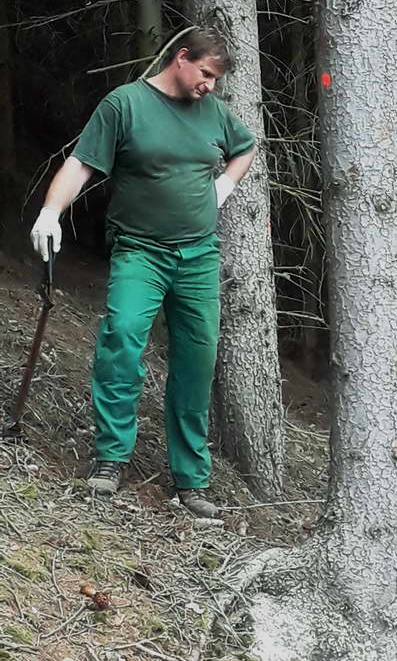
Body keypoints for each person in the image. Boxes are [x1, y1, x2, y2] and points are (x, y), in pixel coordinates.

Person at [29, 27, 257, 517]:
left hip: (198, 256)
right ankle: (110, 458)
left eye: (216, 79)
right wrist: (51, 212)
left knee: (197, 362)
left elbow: (245, 147)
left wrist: (222, 187)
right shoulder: (125, 104)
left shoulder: (214, 113)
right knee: (122, 341)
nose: (210, 86)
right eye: (205, 74)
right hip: (140, 251)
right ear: (181, 58)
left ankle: (191, 480)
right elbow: (82, 163)